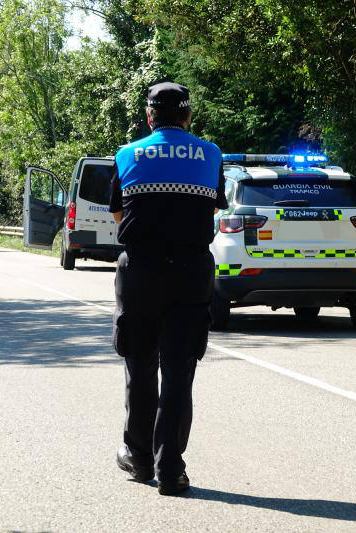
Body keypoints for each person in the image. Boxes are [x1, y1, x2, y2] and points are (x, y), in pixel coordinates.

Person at [109, 81, 228, 496]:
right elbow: (212, 209)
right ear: (188, 117)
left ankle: (139, 458)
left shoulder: (127, 154)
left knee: (139, 364)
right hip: (191, 270)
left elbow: (120, 213)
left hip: (140, 270)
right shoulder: (211, 154)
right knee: (179, 372)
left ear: (148, 117)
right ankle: (172, 469)